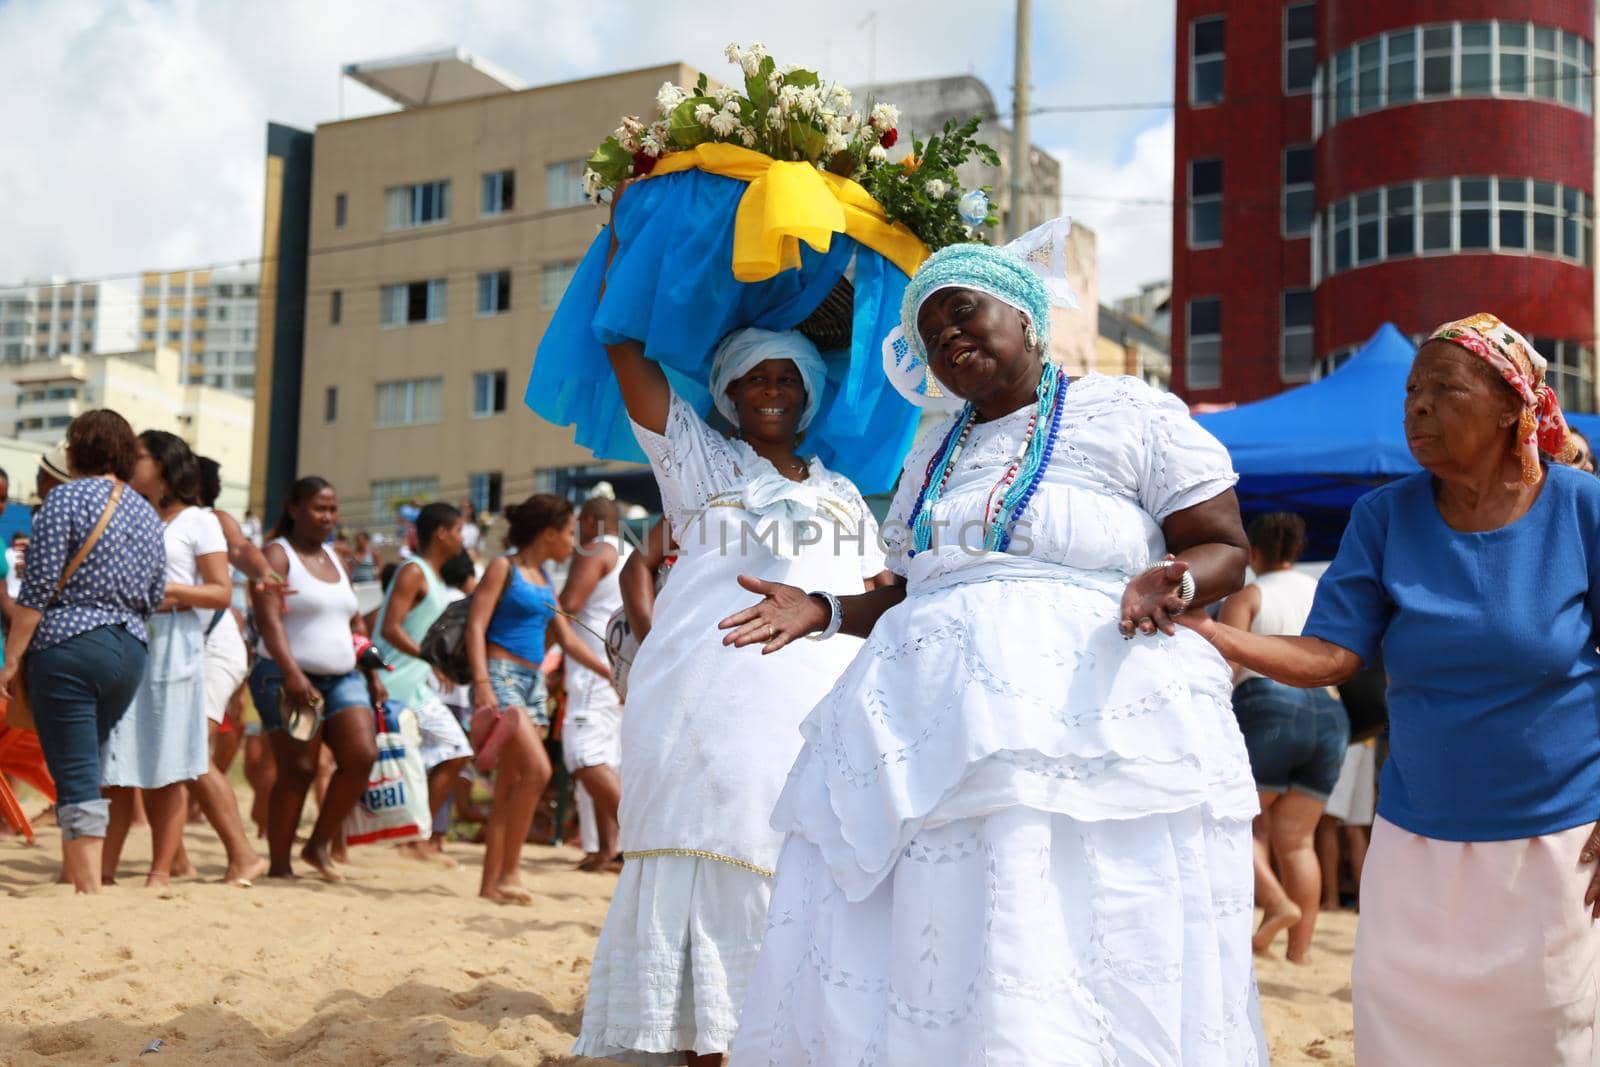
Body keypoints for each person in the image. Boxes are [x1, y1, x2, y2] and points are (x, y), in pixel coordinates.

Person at [720, 233, 1265, 1063]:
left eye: (963, 310)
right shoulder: (931, 453)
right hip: (918, 712)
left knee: (1057, 907)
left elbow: (1222, 540)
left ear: (1028, 316)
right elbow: (910, 587)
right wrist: (825, 608)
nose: (948, 337)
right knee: (936, 916)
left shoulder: (1131, 410)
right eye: (931, 331)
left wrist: (1176, 580)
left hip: (1081, 712)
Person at [1180, 313, 1600, 1064]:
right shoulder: (1385, 517)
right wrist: (1215, 635)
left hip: (1559, 849)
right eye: (1411, 391)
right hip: (1416, 847)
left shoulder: (1580, 510)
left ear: (1511, 405)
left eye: (1444, 387)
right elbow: (1333, 652)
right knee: (1405, 1037)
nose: (1417, 406)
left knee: (1555, 1042)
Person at [570, 294, 888, 1058]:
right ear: (729, 394)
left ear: (809, 394)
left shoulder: (843, 493)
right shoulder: (698, 461)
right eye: (754, 378)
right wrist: (635, 226)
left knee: (806, 865)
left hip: (821, 710)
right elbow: (624, 351)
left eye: (787, 377)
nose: (772, 389)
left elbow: (880, 593)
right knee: (722, 853)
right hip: (710, 706)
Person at [2, 411, 165, 893]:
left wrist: (10, 660)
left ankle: (88, 889)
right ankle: (84, 879)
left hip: (69, 646)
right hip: (130, 650)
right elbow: (155, 594)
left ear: (76, 451)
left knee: (74, 773)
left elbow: (36, 591)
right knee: (88, 763)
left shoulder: (62, 501)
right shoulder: (145, 511)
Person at [100, 431, 258, 887]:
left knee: (169, 763)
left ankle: (160, 873)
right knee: (117, 763)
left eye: (141, 455)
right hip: (129, 641)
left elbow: (220, 591)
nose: (132, 460)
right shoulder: (131, 514)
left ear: (166, 465)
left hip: (176, 646)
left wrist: (167, 592)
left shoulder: (198, 522)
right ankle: (105, 870)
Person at [465, 494, 612, 903]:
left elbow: (565, 639)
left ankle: (492, 883)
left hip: (531, 682)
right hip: (501, 676)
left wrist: (610, 671)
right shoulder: (502, 567)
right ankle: (509, 873)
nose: (574, 541)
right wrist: (482, 684)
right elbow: (476, 627)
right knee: (538, 772)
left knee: (511, 785)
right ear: (548, 534)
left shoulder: (546, 578)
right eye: (569, 532)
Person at [1218, 511, 1348, 962]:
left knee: (1244, 821)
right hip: (1330, 709)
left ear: (1253, 552)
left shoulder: (1250, 594)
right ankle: (1301, 952)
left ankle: (1275, 903)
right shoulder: (1322, 592)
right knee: (1299, 840)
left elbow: (1226, 664)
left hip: (1269, 704)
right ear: (1297, 551)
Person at [248, 476, 383, 881]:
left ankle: (318, 845)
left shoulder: (337, 560)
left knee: (361, 756)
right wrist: (291, 673)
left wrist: (372, 668)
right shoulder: (277, 555)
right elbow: (267, 619)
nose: (327, 517)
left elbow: (355, 619)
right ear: (294, 509)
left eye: (332, 509)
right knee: (300, 769)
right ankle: (279, 864)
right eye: (318, 508)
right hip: (284, 674)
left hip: (343, 676)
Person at [372, 501, 474, 865]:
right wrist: (432, 659)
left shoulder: (432, 577)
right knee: (443, 752)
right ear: (442, 533)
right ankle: (414, 839)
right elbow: (389, 628)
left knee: (451, 752)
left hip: (414, 684)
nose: (463, 537)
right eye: (459, 529)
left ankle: (418, 837)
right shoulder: (413, 571)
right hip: (395, 683)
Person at [558, 497, 631, 871]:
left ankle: (636, 839)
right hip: (620, 671)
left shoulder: (596, 549)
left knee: (584, 757)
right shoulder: (631, 552)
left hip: (593, 670)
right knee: (607, 762)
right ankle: (606, 850)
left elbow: (567, 604)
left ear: (588, 521)